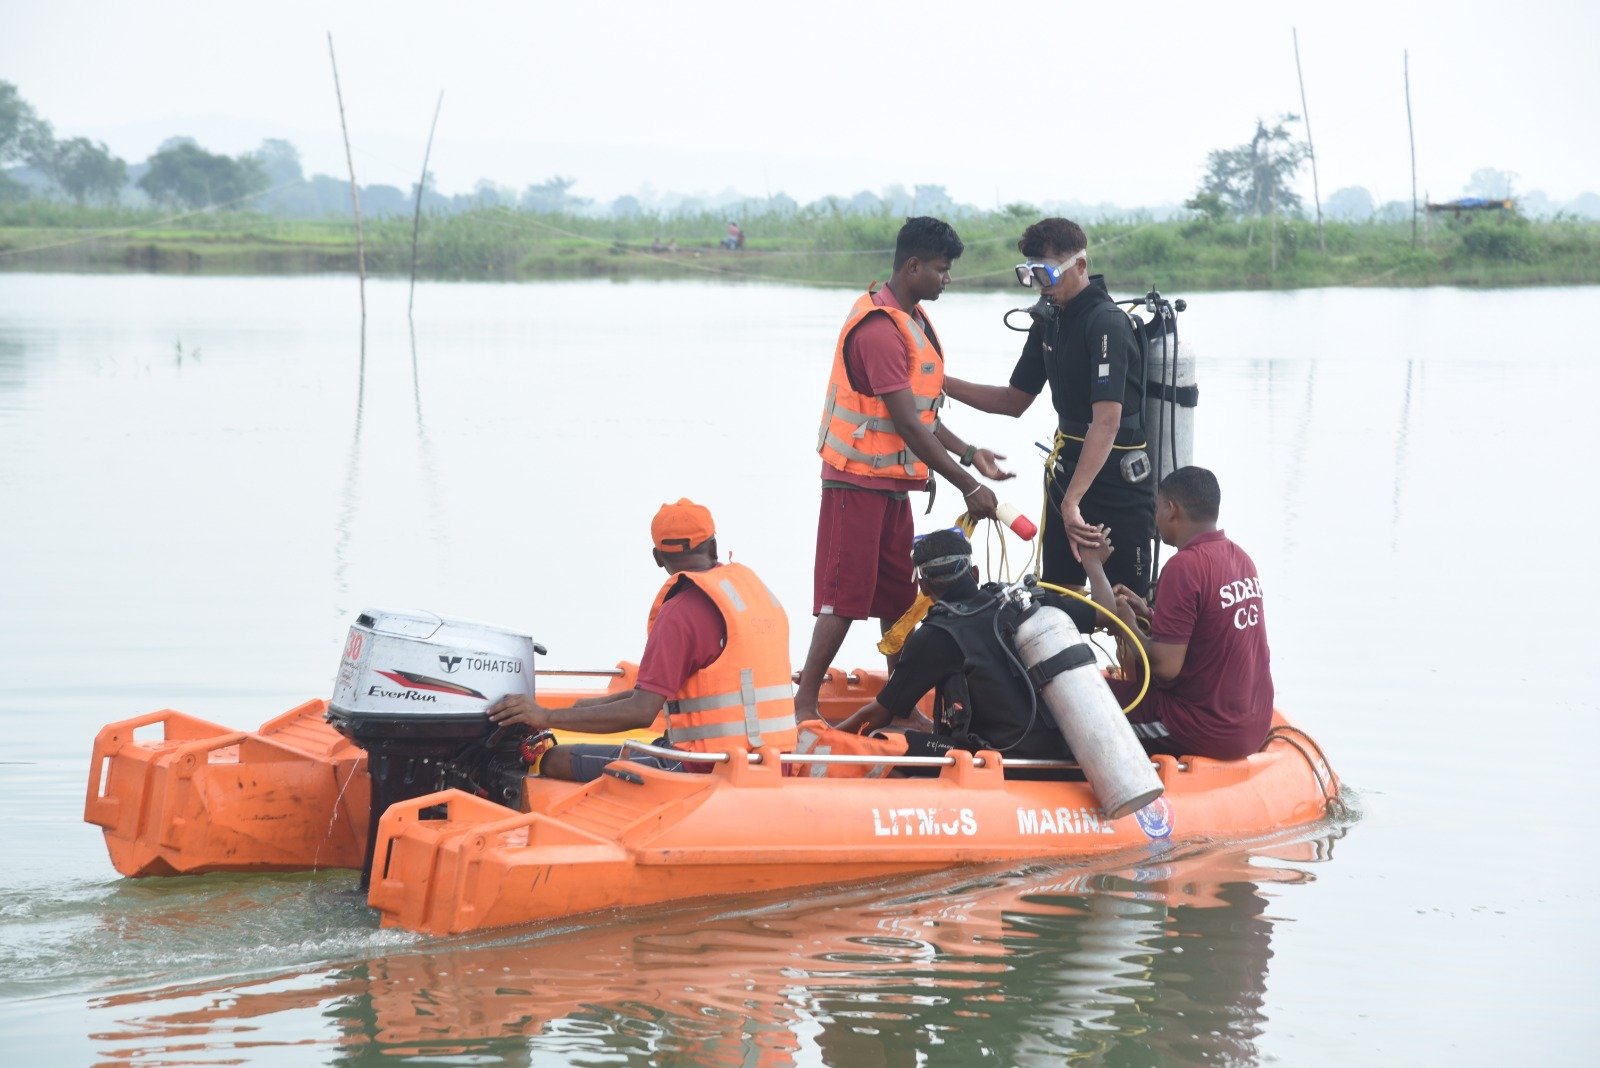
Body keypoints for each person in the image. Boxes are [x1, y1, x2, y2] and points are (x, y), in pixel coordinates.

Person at [793, 216, 1013, 719]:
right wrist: (969, 486)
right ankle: (804, 702)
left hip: (892, 487)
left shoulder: (912, 320)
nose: (947, 278)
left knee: (898, 597)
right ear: (912, 266)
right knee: (844, 597)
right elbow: (910, 427)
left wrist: (967, 451)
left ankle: (898, 702)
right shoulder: (879, 332)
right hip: (857, 484)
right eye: (941, 269)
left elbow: (923, 414)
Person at [487, 498, 797, 780]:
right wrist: (582, 707)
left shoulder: (680, 612)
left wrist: (546, 715)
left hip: (704, 765)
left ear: (657, 557)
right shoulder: (752, 595)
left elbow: (642, 710)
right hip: (771, 761)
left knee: (555, 758)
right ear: (714, 547)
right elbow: (669, 692)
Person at [944, 217, 1155, 623]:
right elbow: (1013, 400)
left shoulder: (1106, 323)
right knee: (1061, 598)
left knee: (1128, 605)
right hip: (1067, 473)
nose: (1041, 284)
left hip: (1115, 480)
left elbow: (1106, 422)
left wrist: (1073, 500)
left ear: (1080, 265)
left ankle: (1133, 682)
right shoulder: (1049, 319)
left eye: (1047, 273)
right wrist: (938, 380)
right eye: (1030, 274)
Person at [831, 528, 1074, 777]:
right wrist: (1093, 564)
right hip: (1068, 759)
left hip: (1000, 761)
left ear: (923, 587)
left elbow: (880, 713)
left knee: (883, 743)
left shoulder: (936, 635)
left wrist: (828, 737)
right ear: (975, 573)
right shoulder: (1023, 602)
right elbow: (1106, 613)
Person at [1078, 467, 1273, 760]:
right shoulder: (1240, 558)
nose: (1155, 517)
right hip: (1255, 723)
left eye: (1157, 507)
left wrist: (1127, 624)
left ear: (1171, 509)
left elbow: (1166, 667)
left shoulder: (1184, 566)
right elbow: (1209, 630)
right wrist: (1149, 614)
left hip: (1205, 729)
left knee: (1080, 696)